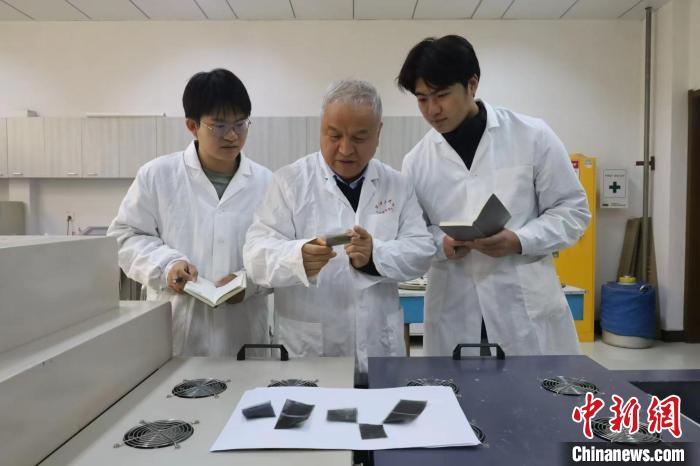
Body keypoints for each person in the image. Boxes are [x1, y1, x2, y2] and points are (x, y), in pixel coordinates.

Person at [398, 35, 591, 357]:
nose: (432, 109)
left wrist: (520, 240)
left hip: (523, 305)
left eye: (442, 95)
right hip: (454, 307)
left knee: (533, 388)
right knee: (458, 387)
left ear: (472, 84)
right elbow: (411, 235)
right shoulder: (417, 161)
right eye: (422, 99)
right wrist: (443, 244)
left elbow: (573, 211)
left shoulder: (532, 136)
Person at [243, 79, 435, 382]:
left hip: (379, 347)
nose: (345, 149)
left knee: (381, 409)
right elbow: (255, 256)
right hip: (309, 353)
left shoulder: (397, 184)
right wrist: (297, 257)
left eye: (360, 137)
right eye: (334, 135)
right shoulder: (289, 183)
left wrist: (375, 256)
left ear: (378, 133)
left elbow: (422, 250)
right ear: (321, 128)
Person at [107, 68, 272, 356]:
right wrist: (166, 266)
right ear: (192, 126)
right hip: (177, 333)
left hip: (243, 334)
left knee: (244, 383)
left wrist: (249, 283)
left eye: (241, 124)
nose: (233, 135)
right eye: (219, 126)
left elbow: (278, 251)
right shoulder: (158, 176)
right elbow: (124, 237)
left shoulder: (266, 183)